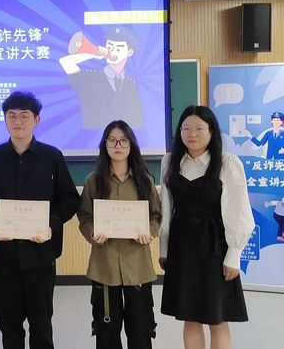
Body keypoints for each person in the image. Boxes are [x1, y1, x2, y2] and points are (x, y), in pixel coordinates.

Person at [0, 91, 80, 349]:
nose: (17, 122)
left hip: (41, 255)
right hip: (4, 256)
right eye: (12, 116)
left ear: (36, 120)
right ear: (5, 120)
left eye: (24, 116)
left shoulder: (52, 157)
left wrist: (51, 226)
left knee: (41, 326)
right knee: (9, 325)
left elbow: (69, 200)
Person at [159, 106, 255, 349]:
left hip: (215, 249)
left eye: (199, 128)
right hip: (182, 246)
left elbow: (240, 212)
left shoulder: (227, 163)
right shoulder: (170, 161)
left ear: (211, 131)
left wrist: (233, 255)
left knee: (217, 318)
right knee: (189, 317)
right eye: (186, 128)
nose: (192, 134)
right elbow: (167, 208)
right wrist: (164, 249)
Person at [77, 120, 161, 349]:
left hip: (138, 267)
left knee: (141, 331)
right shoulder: (93, 181)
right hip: (104, 267)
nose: (118, 146)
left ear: (131, 144)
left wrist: (149, 232)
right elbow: (84, 216)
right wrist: (92, 233)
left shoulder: (145, 181)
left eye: (123, 140)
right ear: (104, 144)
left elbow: (156, 216)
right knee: (106, 332)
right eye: (112, 140)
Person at [59, 27, 143, 129]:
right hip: (90, 135)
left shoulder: (130, 84)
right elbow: (65, 62)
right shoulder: (91, 78)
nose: (112, 52)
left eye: (118, 49)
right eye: (110, 47)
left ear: (129, 52)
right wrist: (94, 54)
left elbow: (137, 119)